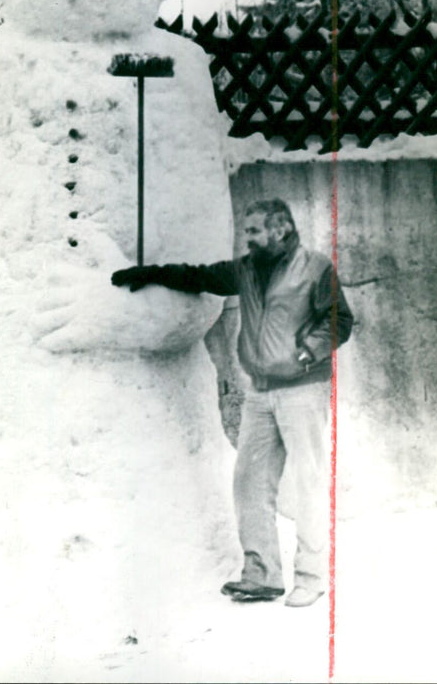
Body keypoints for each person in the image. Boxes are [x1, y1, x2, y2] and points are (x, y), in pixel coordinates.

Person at [112, 197, 354, 608]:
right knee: (249, 481)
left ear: (280, 229)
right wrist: (151, 273)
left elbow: (340, 320)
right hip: (259, 392)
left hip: (302, 391)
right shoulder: (246, 270)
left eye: (255, 230)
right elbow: (200, 276)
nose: (248, 238)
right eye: (247, 231)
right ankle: (262, 575)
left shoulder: (315, 269)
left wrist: (305, 353)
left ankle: (312, 577)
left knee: (308, 481)